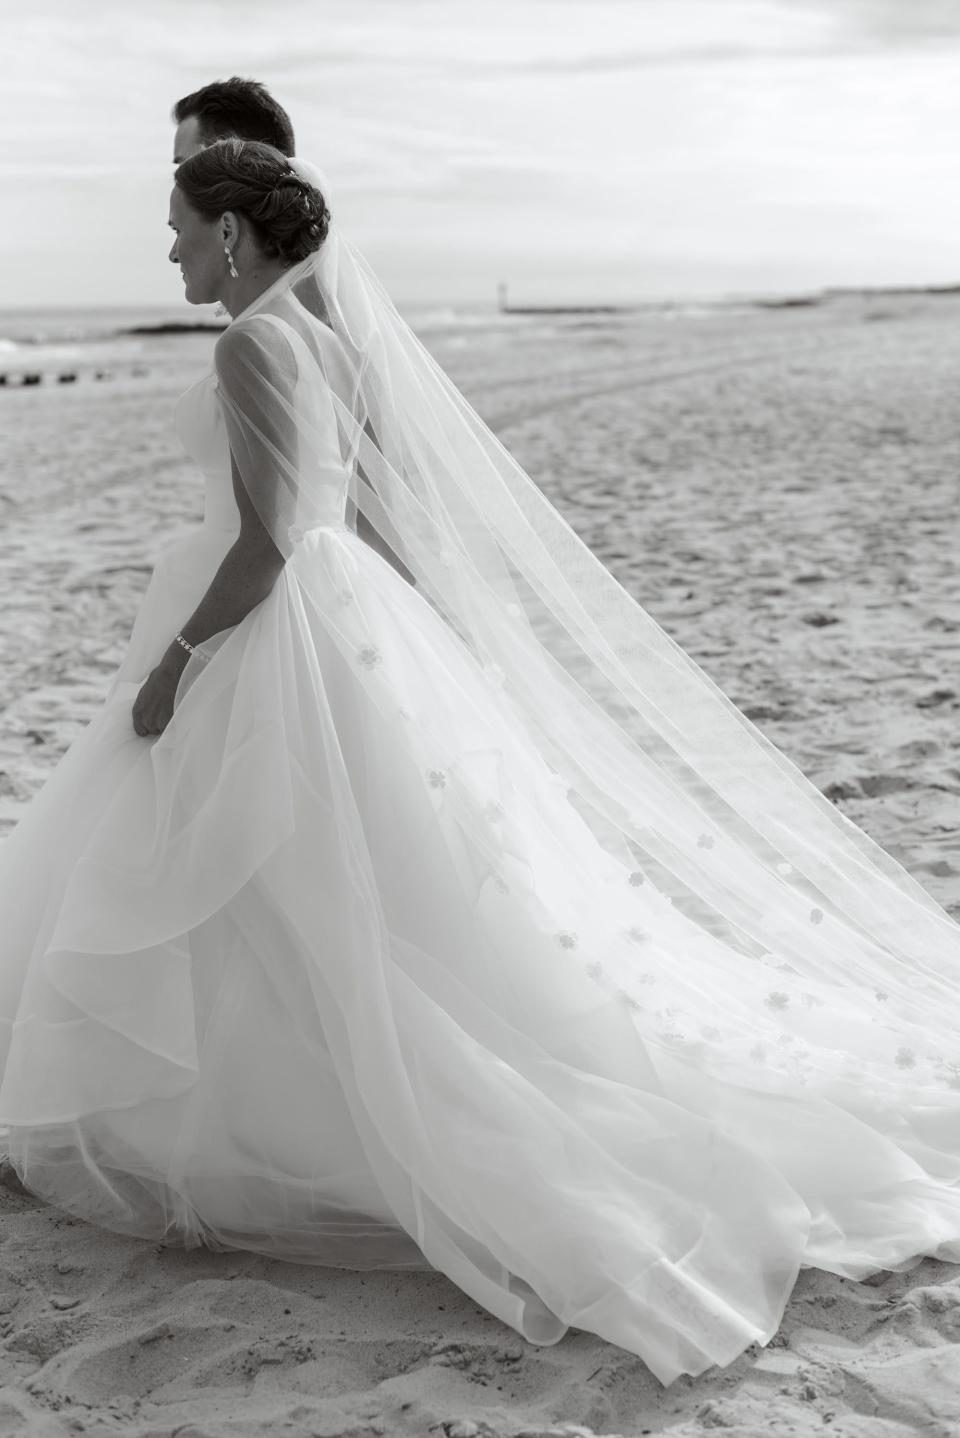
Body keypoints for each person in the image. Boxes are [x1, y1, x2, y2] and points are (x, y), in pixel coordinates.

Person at [1, 115, 960, 1394]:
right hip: (341, 623)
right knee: (342, 891)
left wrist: (175, 665)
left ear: (229, 233)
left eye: (178, 231)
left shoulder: (247, 342)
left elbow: (272, 539)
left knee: (254, 877)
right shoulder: (329, 338)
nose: (167, 251)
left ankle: (241, 1124)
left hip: (275, 627)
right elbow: (350, 513)